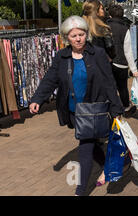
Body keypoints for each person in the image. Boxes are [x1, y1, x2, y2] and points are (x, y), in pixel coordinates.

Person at [29, 16, 123, 196]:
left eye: (81, 34)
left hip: (94, 110)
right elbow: (50, 79)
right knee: (92, 141)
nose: (78, 38)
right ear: (66, 38)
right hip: (74, 111)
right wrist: (37, 99)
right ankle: (107, 166)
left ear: (86, 35)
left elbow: (109, 82)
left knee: (85, 148)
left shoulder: (97, 53)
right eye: (74, 36)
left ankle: (80, 191)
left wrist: (116, 108)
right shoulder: (61, 57)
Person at [106, 4, 138, 116]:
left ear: (109, 15)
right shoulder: (125, 28)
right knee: (122, 87)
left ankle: (111, 109)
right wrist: (134, 69)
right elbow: (128, 51)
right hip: (121, 63)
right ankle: (126, 107)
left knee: (110, 87)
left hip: (107, 62)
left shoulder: (104, 27)